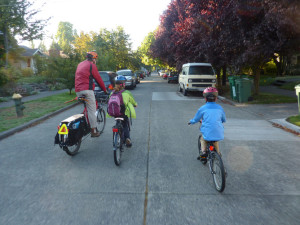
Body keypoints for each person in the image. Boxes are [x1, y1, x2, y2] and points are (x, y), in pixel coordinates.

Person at [75, 51, 107, 137]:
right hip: (87, 91)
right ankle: (93, 131)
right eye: (95, 59)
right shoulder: (92, 65)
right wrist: (105, 90)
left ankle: (85, 121)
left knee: (87, 107)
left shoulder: (80, 64)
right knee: (92, 111)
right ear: (93, 59)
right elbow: (98, 79)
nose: (95, 60)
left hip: (78, 91)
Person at [188, 87, 226, 159]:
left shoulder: (202, 108)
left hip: (207, 132)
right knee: (215, 140)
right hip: (218, 132)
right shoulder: (220, 108)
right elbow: (223, 120)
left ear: (205, 99)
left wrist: (191, 122)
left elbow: (196, 119)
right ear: (216, 98)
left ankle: (203, 153)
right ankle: (218, 154)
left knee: (203, 139)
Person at [109, 75, 137, 147]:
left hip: (114, 113)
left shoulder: (112, 93)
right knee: (125, 125)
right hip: (123, 113)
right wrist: (135, 104)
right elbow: (133, 101)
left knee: (117, 122)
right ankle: (127, 138)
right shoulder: (127, 92)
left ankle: (116, 135)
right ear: (123, 84)